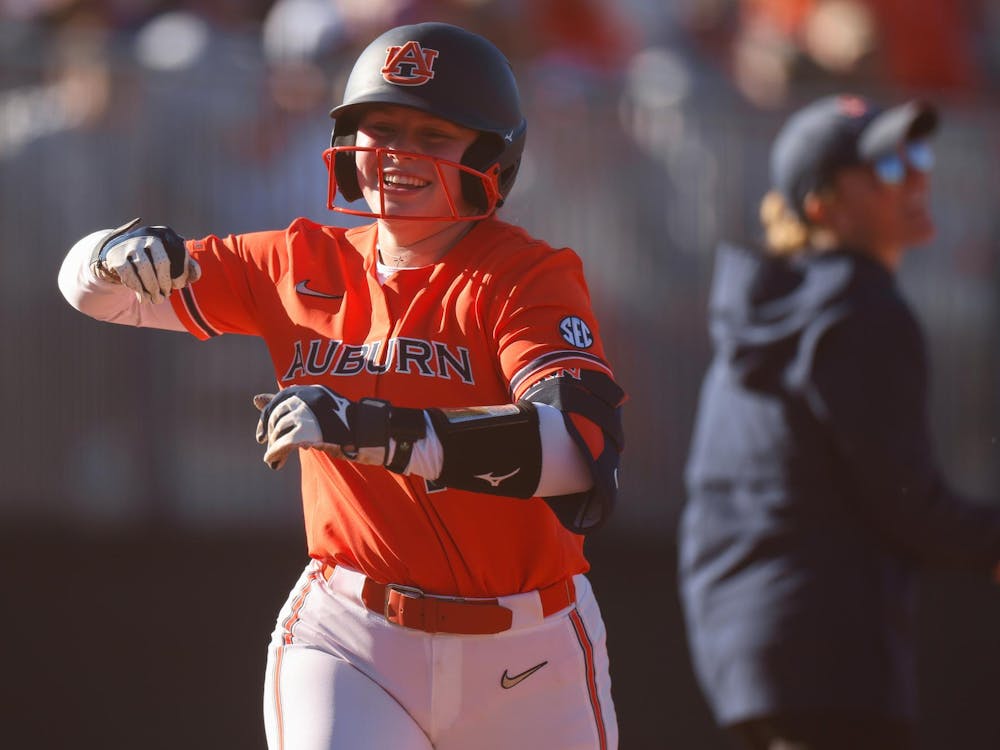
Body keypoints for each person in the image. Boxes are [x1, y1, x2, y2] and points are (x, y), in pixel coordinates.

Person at [58, 22, 624, 750]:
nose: (397, 153)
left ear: (490, 157)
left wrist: (384, 433)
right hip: (353, 640)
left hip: (532, 649)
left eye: (434, 134)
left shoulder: (525, 276)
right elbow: (91, 294)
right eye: (379, 127)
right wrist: (110, 253)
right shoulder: (299, 260)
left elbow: (580, 453)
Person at [678, 93, 1000, 750]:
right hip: (831, 657)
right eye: (887, 166)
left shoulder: (771, 309)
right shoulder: (862, 308)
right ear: (823, 205)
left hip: (746, 652)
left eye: (917, 154)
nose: (916, 176)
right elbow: (906, 502)